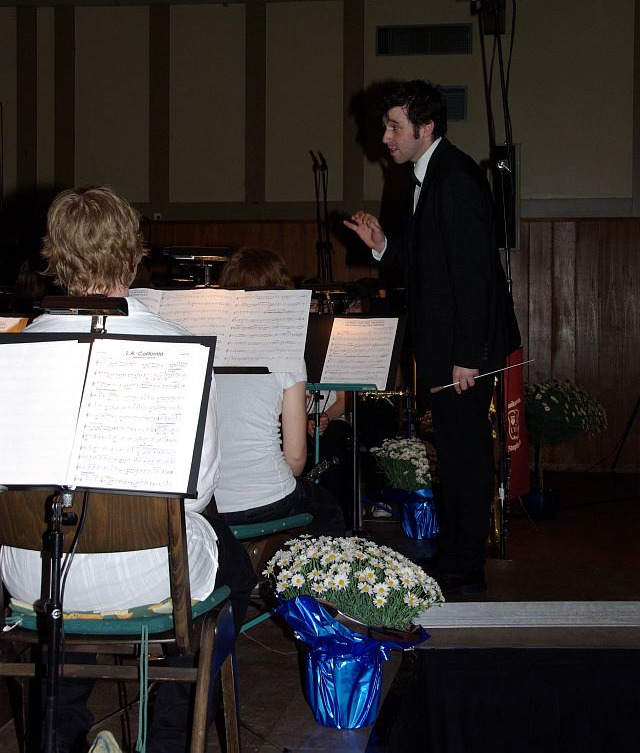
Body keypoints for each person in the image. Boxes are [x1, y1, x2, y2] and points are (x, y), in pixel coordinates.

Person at [0, 186, 254, 753]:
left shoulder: (9, 353)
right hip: (151, 572)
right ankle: (169, 738)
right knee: (233, 571)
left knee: (74, 565)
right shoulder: (178, 349)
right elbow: (195, 493)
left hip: (33, 573)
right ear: (134, 256)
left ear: (53, 258)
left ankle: (61, 732)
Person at [345, 80, 520, 595]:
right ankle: (459, 554)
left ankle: (465, 565)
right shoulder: (431, 174)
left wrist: (467, 356)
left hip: (463, 351)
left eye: (394, 126)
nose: (385, 137)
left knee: (464, 455)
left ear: (426, 127)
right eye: (385, 126)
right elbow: (430, 263)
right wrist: (382, 245)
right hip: (450, 346)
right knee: (455, 451)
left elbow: (473, 276)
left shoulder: (454, 180)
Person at [213, 247, 346, 536]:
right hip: (267, 496)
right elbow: (296, 459)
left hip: (208, 504)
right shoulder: (286, 351)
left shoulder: (205, 346)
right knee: (330, 511)